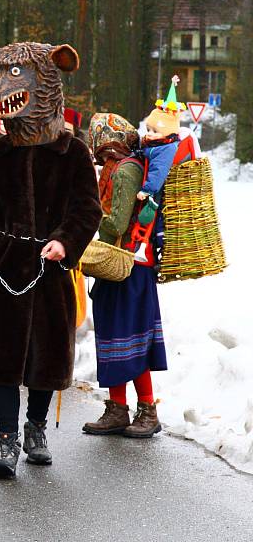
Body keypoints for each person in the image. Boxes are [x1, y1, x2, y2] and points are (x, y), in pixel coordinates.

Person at [0, 42, 101, 478]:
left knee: (47, 354)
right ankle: (7, 438)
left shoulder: (73, 153)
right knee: (6, 357)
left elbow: (88, 210)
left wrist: (65, 243)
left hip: (51, 265)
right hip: (5, 267)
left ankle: (36, 427)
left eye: (14, 75)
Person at [82, 112, 167, 438]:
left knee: (132, 339)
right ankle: (118, 409)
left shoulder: (126, 170)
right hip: (117, 266)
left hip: (131, 267)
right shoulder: (118, 169)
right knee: (113, 337)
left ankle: (147, 409)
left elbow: (117, 223)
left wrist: (90, 218)